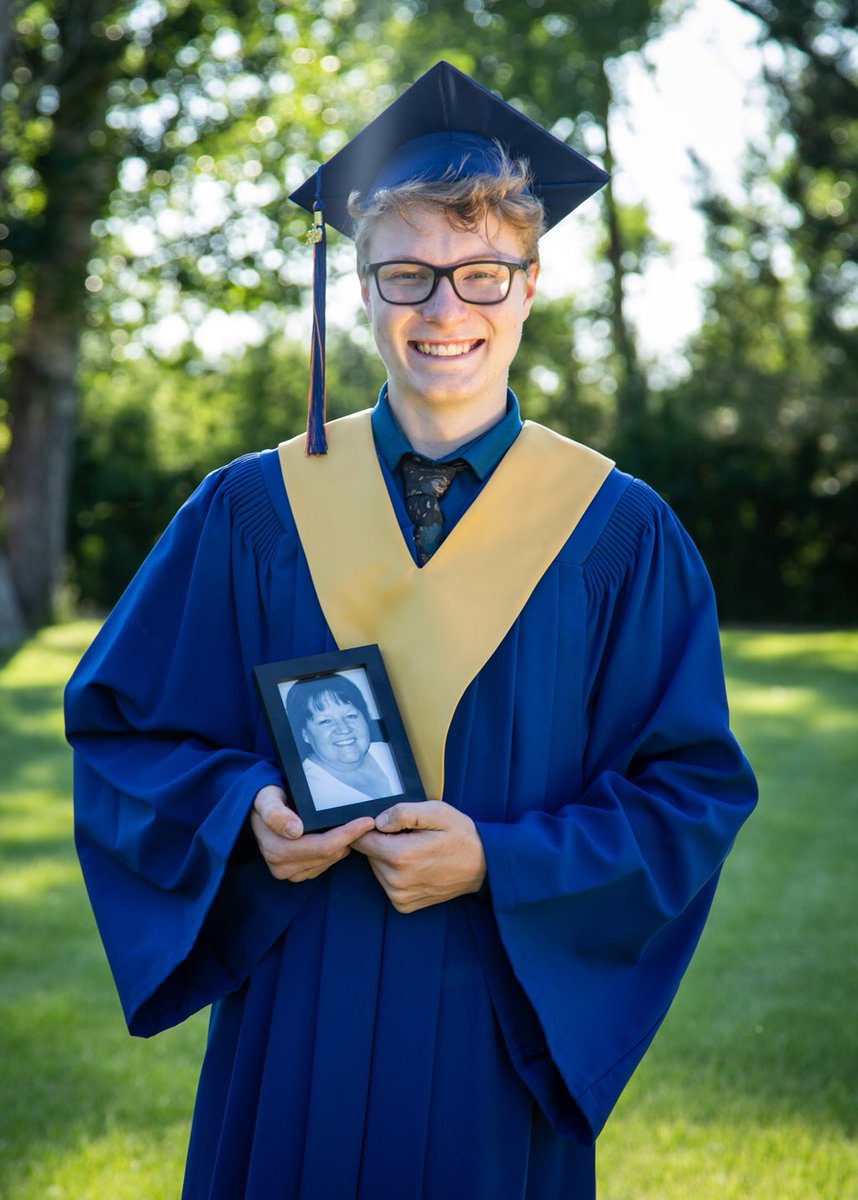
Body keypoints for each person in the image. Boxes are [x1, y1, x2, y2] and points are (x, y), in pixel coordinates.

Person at [65, 61, 756, 1200]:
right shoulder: (251, 513)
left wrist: (500, 856)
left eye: (481, 273)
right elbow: (125, 732)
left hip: (495, 1031)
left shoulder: (621, 536)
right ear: (363, 291)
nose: (445, 311)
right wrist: (241, 812)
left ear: (530, 285)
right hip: (297, 1017)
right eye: (408, 275)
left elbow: (688, 797)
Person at [285, 674, 401, 808]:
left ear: (366, 718)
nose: (344, 729)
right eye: (325, 721)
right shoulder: (306, 792)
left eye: (351, 716)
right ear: (304, 734)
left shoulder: (393, 753)